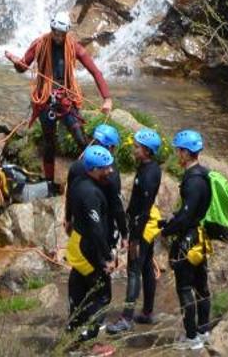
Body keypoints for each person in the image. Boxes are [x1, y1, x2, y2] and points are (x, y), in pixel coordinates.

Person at [5, 11, 112, 191]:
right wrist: (16, 62)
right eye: (54, 31)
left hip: (66, 100)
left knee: (80, 137)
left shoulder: (74, 47)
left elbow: (96, 72)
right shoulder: (39, 44)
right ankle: (49, 184)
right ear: (51, 28)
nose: (57, 36)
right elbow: (23, 67)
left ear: (66, 32)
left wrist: (107, 98)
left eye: (60, 33)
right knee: (49, 143)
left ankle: (93, 175)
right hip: (45, 101)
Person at [105, 127, 163, 333]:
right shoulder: (148, 166)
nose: (134, 149)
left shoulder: (148, 175)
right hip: (142, 224)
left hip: (143, 228)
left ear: (147, 151)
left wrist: (134, 239)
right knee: (146, 268)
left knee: (134, 271)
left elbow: (145, 209)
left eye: (137, 147)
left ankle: (126, 318)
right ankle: (147, 313)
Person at [161, 129, 212, 351]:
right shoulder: (204, 173)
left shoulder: (192, 181)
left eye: (178, 151)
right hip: (201, 237)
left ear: (185, 152)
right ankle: (204, 330)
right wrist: (174, 219)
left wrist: (167, 229)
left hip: (189, 240)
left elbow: (186, 216)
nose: (176, 154)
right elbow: (191, 211)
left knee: (185, 288)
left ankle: (192, 337)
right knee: (201, 286)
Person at [65, 142, 119, 342]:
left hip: (79, 242)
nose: (110, 171)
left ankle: (72, 332)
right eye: (106, 168)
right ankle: (93, 339)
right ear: (94, 169)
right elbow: (96, 229)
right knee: (102, 294)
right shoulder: (91, 194)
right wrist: (107, 257)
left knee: (78, 287)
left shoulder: (79, 181)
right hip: (87, 247)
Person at [65, 123, 127, 250]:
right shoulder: (111, 173)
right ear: (110, 147)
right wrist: (124, 234)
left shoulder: (77, 166)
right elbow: (117, 207)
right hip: (103, 223)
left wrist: (68, 218)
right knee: (100, 263)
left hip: (80, 223)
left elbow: (69, 195)